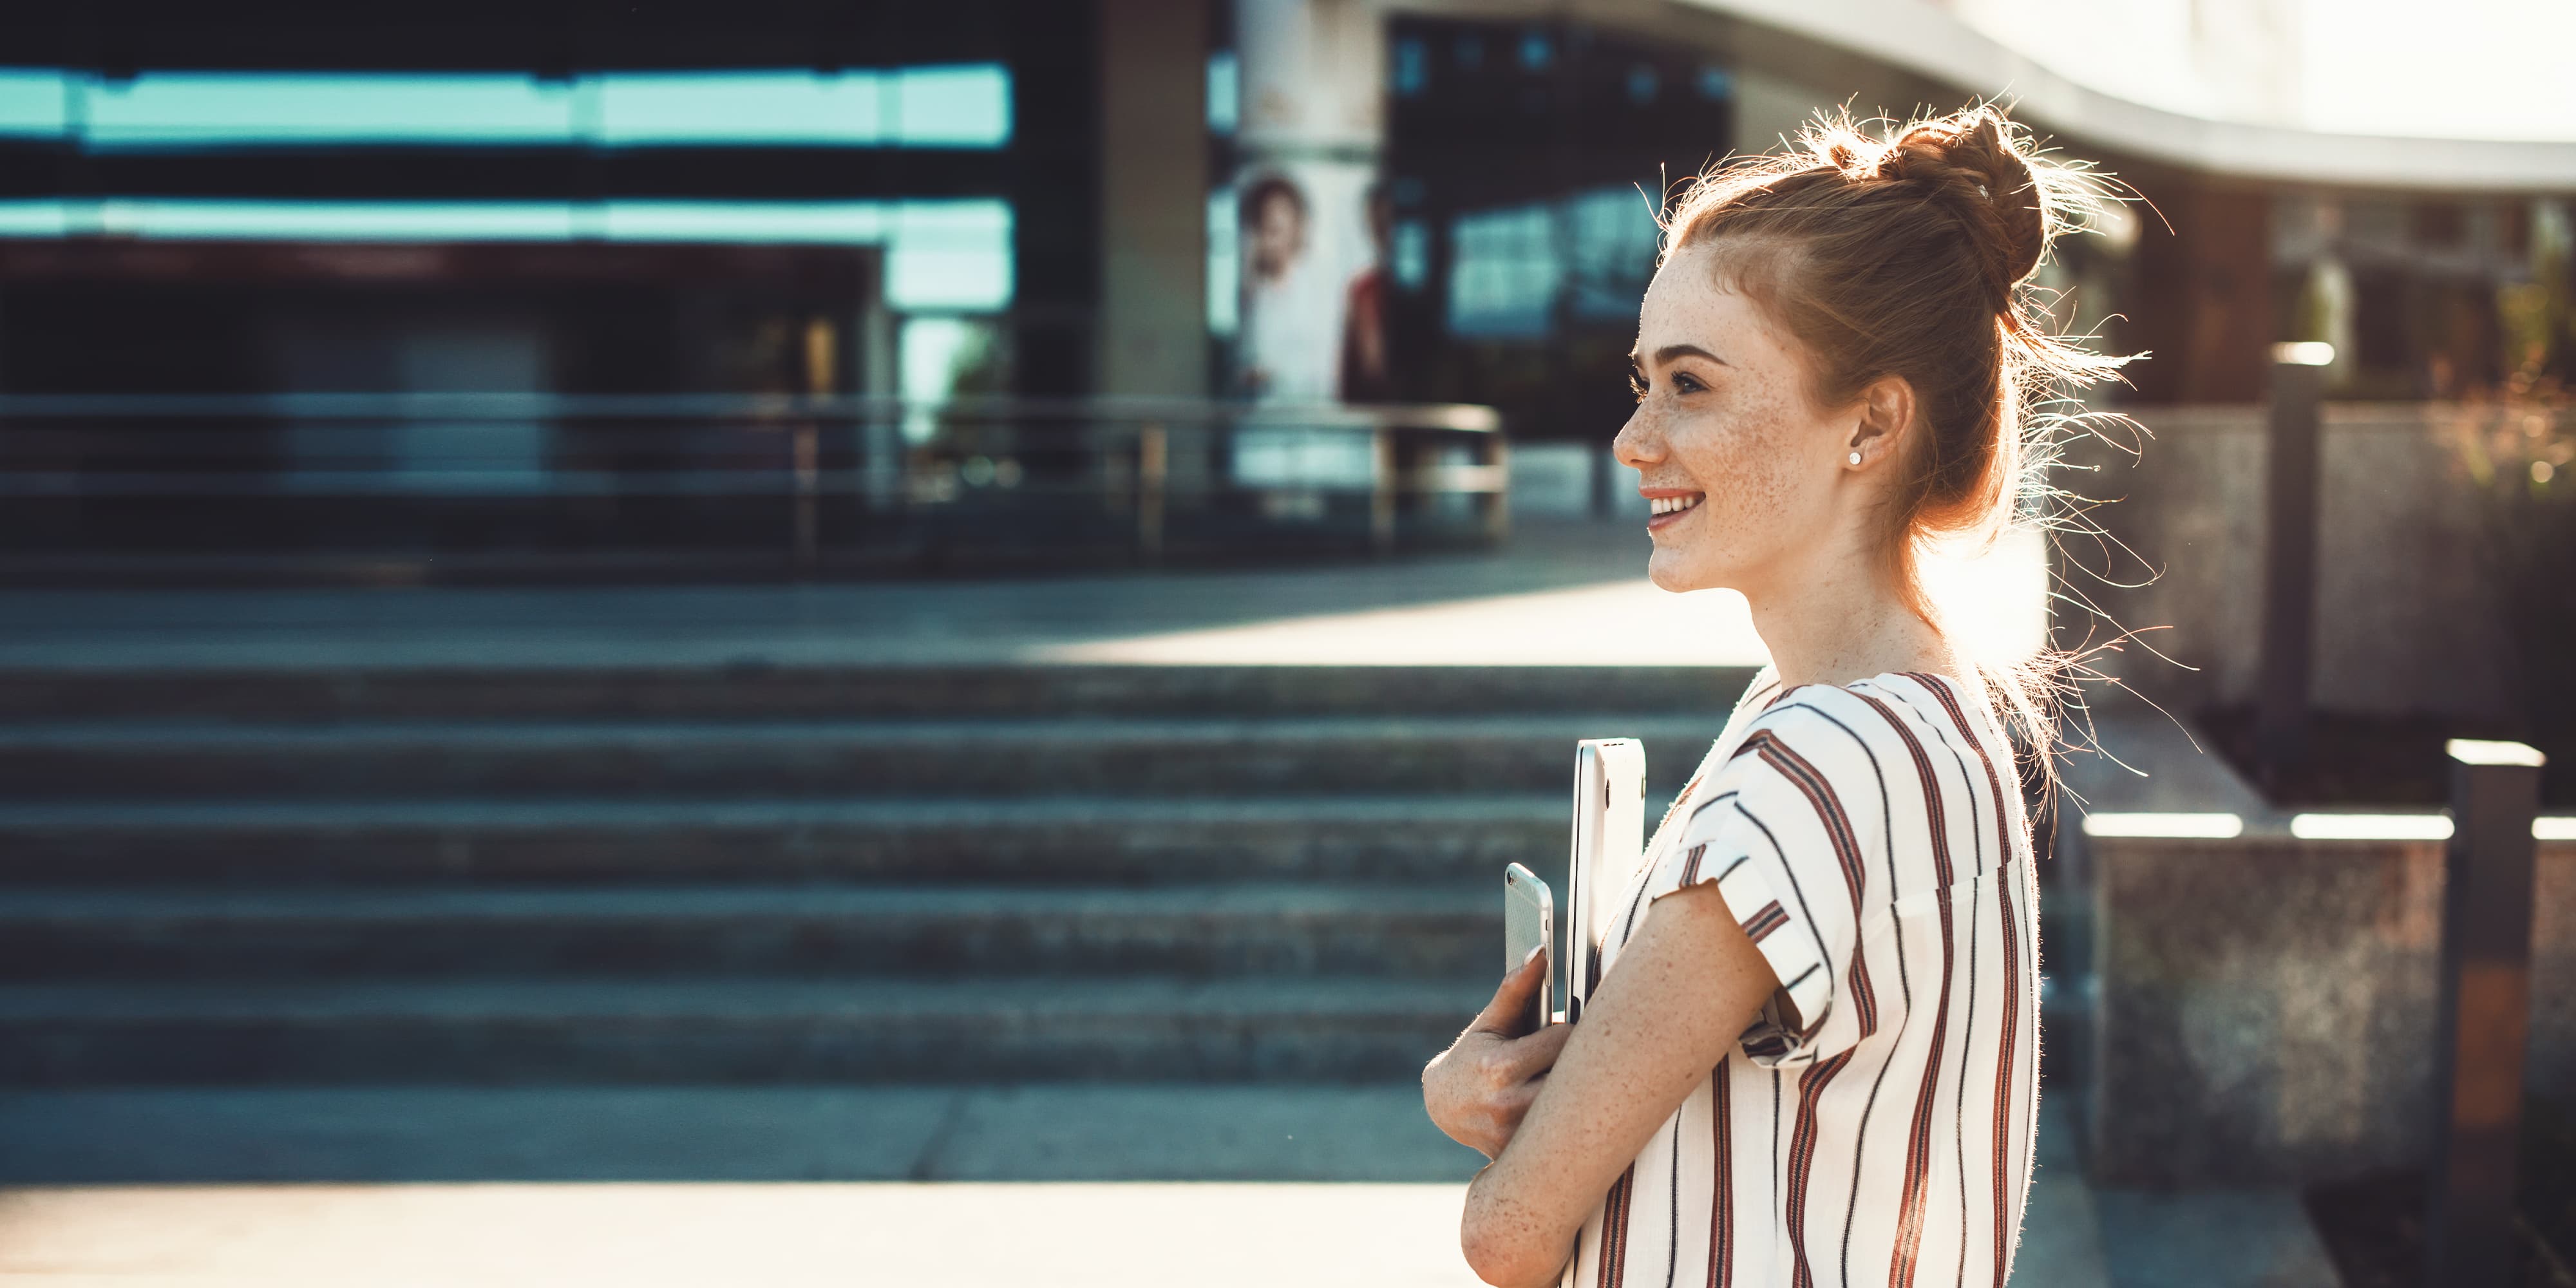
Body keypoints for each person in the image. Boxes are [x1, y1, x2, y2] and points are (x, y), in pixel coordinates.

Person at [1420, 102, 2134, 1288]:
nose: (1633, 439)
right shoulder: (1937, 720)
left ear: (1872, 422)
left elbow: (1509, 1232)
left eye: (1690, 385)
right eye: (1643, 381)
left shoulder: (1812, 766)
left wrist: (1465, 1097)